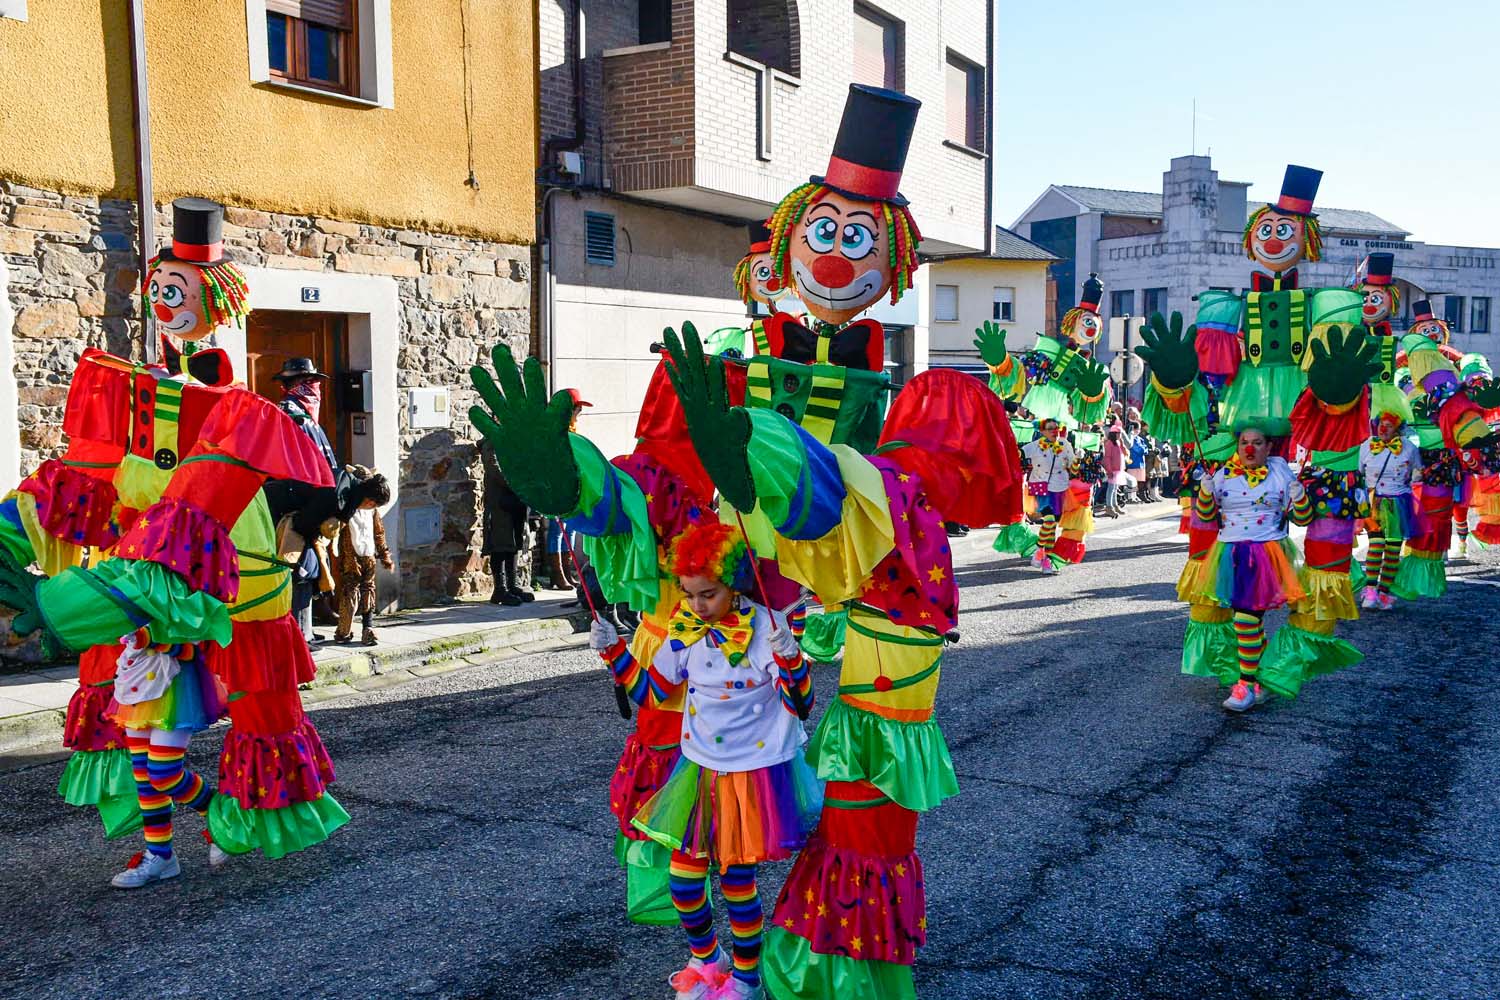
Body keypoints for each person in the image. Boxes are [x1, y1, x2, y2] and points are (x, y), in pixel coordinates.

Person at [591, 521, 820, 1000]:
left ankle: (746, 980)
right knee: (683, 877)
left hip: (753, 774)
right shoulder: (685, 630)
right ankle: (706, 958)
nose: (697, 605)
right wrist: (614, 650)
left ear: (733, 585)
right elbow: (650, 692)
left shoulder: (762, 628)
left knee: (737, 881)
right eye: (689, 595)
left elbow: (800, 704)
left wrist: (792, 658)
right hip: (700, 769)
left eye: (708, 595)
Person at [1187, 425, 1316, 712]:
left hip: (1266, 555)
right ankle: (1260, 679)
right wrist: (1206, 494)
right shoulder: (1224, 475)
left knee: (1245, 619)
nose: (1249, 448)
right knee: (1248, 622)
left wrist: (1300, 496)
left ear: (1269, 447)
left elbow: (1304, 518)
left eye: (1257, 442)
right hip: (1230, 555)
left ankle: (1244, 685)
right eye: (1244, 442)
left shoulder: (1281, 474)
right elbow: (1207, 517)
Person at [274, 357, 338, 642]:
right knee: (300, 567)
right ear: (295, 386)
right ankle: (298, 637)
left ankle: (305, 631)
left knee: (309, 566)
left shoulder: (300, 413)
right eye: (310, 382)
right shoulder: (293, 415)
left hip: (305, 503)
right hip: (297, 505)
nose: (316, 389)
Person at [1359, 412, 1421, 609]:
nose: (1383, 429)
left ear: (1398, 430)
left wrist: (1412, 480)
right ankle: (1370, 592)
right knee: (1376, 546)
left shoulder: (1409, 448)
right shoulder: (1366, 446)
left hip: (1398, 504)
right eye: (1381, 424)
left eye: (1389, 426)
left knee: (1393, 551)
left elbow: (1418, 471)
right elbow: (1359, 471)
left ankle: (1384, 592)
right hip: (1374, 504)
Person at [333, 468, 393, 644]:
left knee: (368, 590)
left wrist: (384, 554)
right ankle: (344, 631)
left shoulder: (372, 510)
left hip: (368, 555)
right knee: (350, 592)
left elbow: (378, 532)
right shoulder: (346, 506)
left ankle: (368, 628)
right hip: (350, 557)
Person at [479, 441, 533, 606]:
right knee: (500, 544)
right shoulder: (491, 441)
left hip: (516, 498)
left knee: (515, 542)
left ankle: (512, 585)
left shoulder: (513, 439)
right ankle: (500, 590)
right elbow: (493, 467)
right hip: (500, 501)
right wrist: (514, 483)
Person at [1022, 418, 1078, 574]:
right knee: (1049, 520)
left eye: (1057, 427)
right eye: (1050, 428)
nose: (1055, 431)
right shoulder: (1034, 446)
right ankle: (1039, 551)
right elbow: (1018, 454)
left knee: (1053, 527)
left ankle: (1047, 561)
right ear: (1042, 432)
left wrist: (1078, 458)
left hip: (1060, 487)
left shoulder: (1065, 444)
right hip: (1040, 485)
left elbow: (1073, 469)